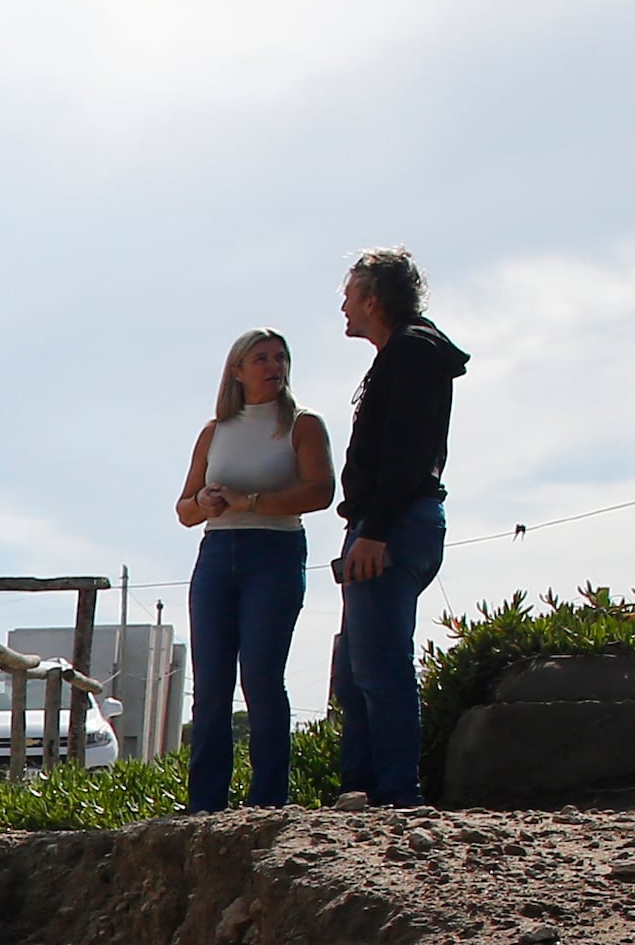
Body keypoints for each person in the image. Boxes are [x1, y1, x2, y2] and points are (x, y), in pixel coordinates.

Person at [327, 248, 469, 804]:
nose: (342, 304)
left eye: (349, 292)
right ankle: (364, 789)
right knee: (360, 666)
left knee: (380, 664)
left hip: (393, 523)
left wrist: (376, 530)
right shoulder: (406, 353)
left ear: (372, 297)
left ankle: (393, 794)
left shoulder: (412, 352)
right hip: (387, 520)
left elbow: (407, 452)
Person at [174, 327, 331, 809]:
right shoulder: (214, 431)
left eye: (280, 357)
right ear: (237, 370)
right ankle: (205, 804)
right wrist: (206, 500)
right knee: (212, 684)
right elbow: (183, 510)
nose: (273, 366)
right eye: (260, 357)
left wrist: (254, 501)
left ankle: (267, 801)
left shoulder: (303, 424)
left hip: (276, 552)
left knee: (262, 677)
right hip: (218, 553)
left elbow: (321, 492)